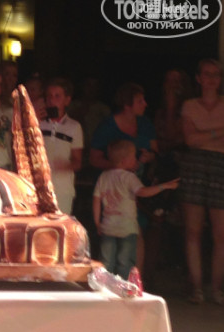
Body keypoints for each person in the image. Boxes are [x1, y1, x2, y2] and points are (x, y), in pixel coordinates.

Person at [90, 82, 158, 271]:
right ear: (127, 105)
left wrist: (149, 157)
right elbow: (94, 158)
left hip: (138, 187)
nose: (145, 104)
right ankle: (112, 279)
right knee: (113, 240)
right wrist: (119, 166)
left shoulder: (145, 124)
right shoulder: (107, 127)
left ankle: (135, 279)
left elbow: (155, 151)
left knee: (136, 233)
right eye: (140, 101)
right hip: (115, 191)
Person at [93, 140, 179, 279]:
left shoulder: (104, 176)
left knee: (106, 261)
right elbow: (142, 192)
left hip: (108, 226)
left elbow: (96, 199)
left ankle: (105, 285)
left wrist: (98, 222)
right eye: (133, 157)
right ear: (124, 161)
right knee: (125, 262)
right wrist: (164, 186)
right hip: (127, 228)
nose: (136, 160)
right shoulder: (129, 177)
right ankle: (124, 286)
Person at [180, 58, 224, 305]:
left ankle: (216, 288)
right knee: (193, 230)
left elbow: (198, 137)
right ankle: (196, 287)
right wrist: (218, 132)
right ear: (198, 78)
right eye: (207, 74)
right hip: (195, 164)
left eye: (216, 74)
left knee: (221, 234)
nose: (211, 79)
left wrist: (202, 135)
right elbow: (190, 140)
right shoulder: (189, 105)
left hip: (221, 164)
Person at [37, 77, 83, 214]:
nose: (52, 100)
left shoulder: (74, 127)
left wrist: (65, 166)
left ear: (67, 100)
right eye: (49, 96)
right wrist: (34, 121)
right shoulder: (37, 123)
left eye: (57, 96)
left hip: (62, 189)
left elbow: (77, 161)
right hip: (38, 187)